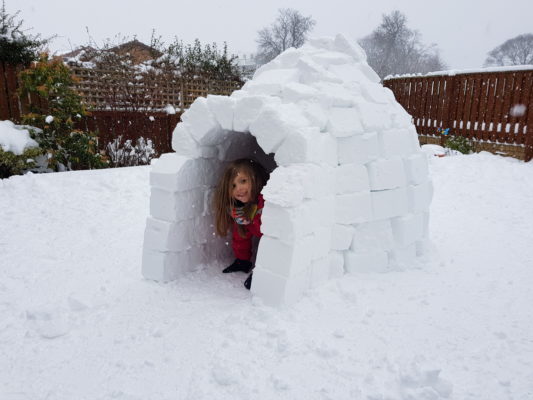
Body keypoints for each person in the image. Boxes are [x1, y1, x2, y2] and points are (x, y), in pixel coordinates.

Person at [213, 159, 268, 290]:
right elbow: (241, 236)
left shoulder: (265, 203)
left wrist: (262, 271)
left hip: (270, 241)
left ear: (256, 180)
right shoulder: (240, 208)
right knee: (240, 231)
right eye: (233, 186)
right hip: (254, 226)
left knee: (268, 241)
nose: (239, 189)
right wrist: (242, 260)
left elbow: (273, 244)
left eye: (243, 181)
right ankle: (242, 261)